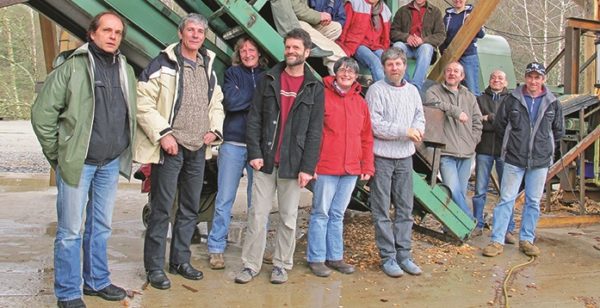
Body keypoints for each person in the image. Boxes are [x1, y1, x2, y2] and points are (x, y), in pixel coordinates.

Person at [31, 11, 136, 308]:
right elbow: (42, 116)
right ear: (92, 33)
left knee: (101, 227)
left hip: (110, 163)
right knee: (70, 232)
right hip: (80, 164)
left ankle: (97, 281)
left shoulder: (124, 68)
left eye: (118, 32)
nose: (113, 36)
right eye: (107, 30)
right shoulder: (72, 68)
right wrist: (59, 154)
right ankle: (67, 292)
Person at [135, 13, 224, 290]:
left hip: (198, 147)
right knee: (162, 209)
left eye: (200, 31)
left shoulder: (207, 66)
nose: (196, 35)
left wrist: (215, 130)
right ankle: (154, 267)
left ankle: (180, 261)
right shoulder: (162, 64)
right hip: (171, 148)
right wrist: (164, 134)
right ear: (180, 33)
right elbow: (143, 102)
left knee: (189, 208)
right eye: (191, 30)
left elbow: (217, 103)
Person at [236, 28, 324, 285]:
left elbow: (315, 132)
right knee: (257, 215)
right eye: (288, 47)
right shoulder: (268, 79)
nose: (291, 52)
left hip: (293, 164)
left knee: (288, 218)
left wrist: (308, 167)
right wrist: (254, 152)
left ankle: (281, 264)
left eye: (296, 48)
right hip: (265, 161)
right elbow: (254, 119)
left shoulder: (314, 87)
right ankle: (250, 265)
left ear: (306, 52)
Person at [483, 62, 564, 257]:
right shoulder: (512, 99)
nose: (533, 81)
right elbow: (501, 125)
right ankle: (496, 241)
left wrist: (546, 150)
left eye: (537, 77)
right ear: (525, 78)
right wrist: (513, 145)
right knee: (506, 200)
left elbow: (558, 131)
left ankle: (527, 240)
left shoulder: (553, 102)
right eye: (530, 77)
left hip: (540, 161)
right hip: (514, 159)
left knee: (533, 202)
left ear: (543, 79)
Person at [306, 57, 374, 277]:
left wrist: (367, 165)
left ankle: (335, 257)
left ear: (356, 77)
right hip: (326, 165)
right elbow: (312, 132)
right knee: (321, 212)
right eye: (343, 70)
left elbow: (366, 137)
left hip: (350, 169)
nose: (346, 74)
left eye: (351, 72)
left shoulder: (360, 102)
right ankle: (316, 258)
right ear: (335, 73)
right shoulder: (322, 96)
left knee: (337, 213)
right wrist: (310, 164)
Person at [207, 37, 266, 270]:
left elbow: (270, 106)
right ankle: (215, 248)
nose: (247, 53)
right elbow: (230, 102)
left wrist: (248, 98)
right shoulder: (232, 74)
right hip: (232, 142)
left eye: (252, 49)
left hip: (257, 146)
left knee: (257, 201)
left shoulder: (266, 74)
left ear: (259, 53)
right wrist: (256, 98)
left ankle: (255, 248)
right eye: (243, 50)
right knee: (225, 198)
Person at [367, 47, 425, 278]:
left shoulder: (412, 91)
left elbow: (419, 116)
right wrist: (405, 131)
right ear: (384, 67)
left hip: (404, 158)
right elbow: (375, 124)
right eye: (390, 64)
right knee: (381, 209)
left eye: (398, 64)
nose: (394, 68)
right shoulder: (376, 90)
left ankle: (405, 255)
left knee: (405, 208)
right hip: (382, 157)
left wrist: (418, 130)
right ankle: (388, 257)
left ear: (404, 66)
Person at [425, 61, 482, 220]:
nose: (452, 73)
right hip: (446, 151)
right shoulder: (434, 91)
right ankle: (469, 221)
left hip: (466, 153)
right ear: (444, 74)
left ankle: (450, 228)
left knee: (460, 193)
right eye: (448, 70)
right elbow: (431, 103)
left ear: (462, 76)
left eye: (456, 71)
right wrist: (456, 111)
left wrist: (473, 140)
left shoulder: (469, 97)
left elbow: (477, 121)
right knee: (452, 190)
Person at [471, 70, 516, 244]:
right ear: (489, 81)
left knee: (506, 192)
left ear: (506, 82)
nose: (496, 80)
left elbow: (508, 123)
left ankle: (508, 228)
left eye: (500, 78)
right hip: (483, 150)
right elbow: (476, 122)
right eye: (493, 77)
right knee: (479, 190)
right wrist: (496, 122)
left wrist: (489, 118)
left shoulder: (511, 100)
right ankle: (477, 224)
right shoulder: (480, 100)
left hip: (504, 152)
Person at [270, 0, 347, 74]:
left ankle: (310, 48)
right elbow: (297, 9)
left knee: (335, 28)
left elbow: (304, 7)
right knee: (337, 56)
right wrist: (319, 16)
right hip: (294, 24)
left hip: (304, 20)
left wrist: (319, 16)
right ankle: (340, 65)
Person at [390, 0, 445, 90]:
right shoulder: (402, 11)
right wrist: (406, 37)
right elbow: (392, 32)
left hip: (423, 48)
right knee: (397, 45)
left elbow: (441, 35)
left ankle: (416, 86)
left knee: (426, 47)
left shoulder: (435, 12)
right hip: (406, 46)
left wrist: (423, 40)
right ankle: (405, 83)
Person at [336, 0, 392, 82]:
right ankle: (383, 92)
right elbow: (345, 26)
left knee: (387, 61)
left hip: (376, 45)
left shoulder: (385, 10)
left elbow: (386, 35)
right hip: (358, 44)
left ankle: (394, 90)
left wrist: (385, 49)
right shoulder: (355, 3)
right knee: (374, 61)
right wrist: (341, 46)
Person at [440, 0, 485, 95]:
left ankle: (474, 109)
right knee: (450, 87)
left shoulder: (473, 13)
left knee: (471, 89)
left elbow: (481, 34)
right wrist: (443, 50)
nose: (458, 1)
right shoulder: (447, 17)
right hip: (451, 57)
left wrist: (473, 21)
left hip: (468, 56)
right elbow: (441, 37)